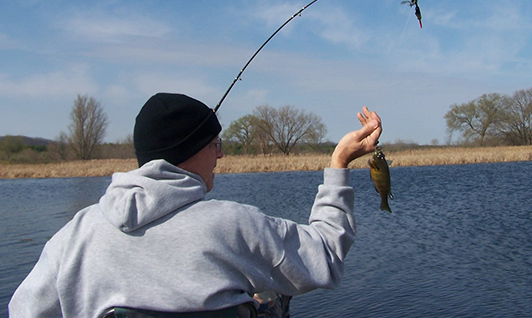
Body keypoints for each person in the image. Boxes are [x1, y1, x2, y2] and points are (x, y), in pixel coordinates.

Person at [9, 92, 383, 318]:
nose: (220, 155)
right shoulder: (235, 226)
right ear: (189, 151)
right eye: (214, 144)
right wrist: (338, 165)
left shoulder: (75, 235)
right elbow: (325, 259)